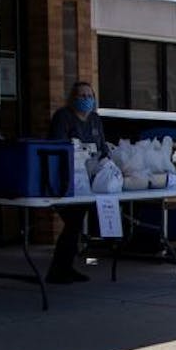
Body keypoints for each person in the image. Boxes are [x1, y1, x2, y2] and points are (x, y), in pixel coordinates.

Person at [46, 81, 107, 283]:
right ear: (73, 98)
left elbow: (102, 147)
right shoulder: (64, 118)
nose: (86, 99)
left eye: (89, 96)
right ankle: (59, 269)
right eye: (81, 96)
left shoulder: (95, 120)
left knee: (75, 223)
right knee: (72, 222)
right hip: (66, 179)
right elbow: (59, 145)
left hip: (89, 180)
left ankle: (64, 267)